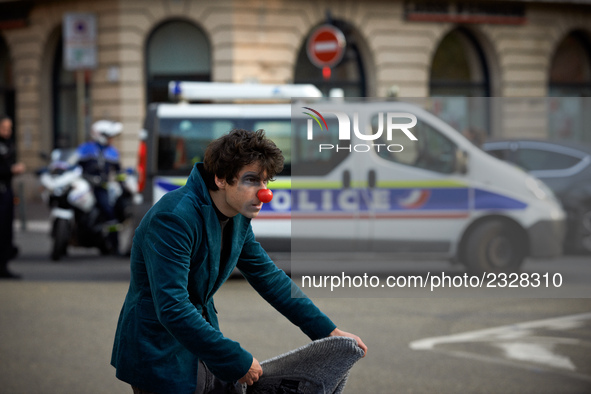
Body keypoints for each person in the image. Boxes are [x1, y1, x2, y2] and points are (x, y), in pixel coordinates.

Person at [111, 129, 367, 394]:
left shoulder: (237, 214)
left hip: (201, 342)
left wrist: (328, 331)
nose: (264, 193)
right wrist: (235, 359)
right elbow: (172, 306)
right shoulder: (174, 218)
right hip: (159, 353)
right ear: (221, 179)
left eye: (266, 182)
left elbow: (268, 277)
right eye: (252, 180)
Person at [77, 120, 124, 253]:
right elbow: (73, 162)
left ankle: (114, 245)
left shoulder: (112, 152)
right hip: (84, 185)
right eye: (109, 137)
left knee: (109, 211)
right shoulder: (86, 148)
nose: (111, 140)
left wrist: (123, 182)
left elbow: (119, 171)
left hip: (101, 187)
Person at [0, 115, 26, 279]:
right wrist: (10, 170)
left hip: (6, 190)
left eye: (10, 128)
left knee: (6, 230)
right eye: (5, 128)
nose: (8, 131)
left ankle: (4, 264)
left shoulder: (9, 143)